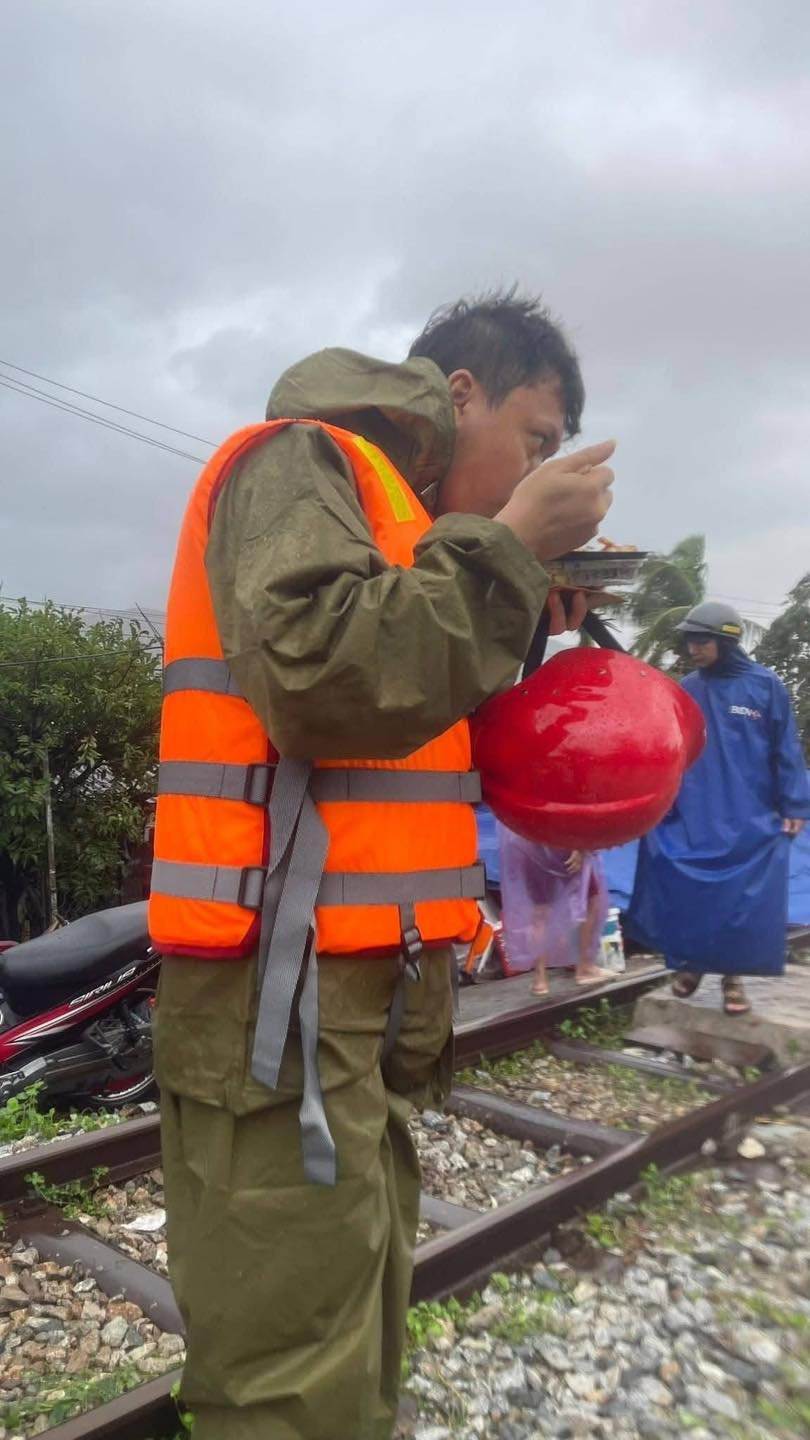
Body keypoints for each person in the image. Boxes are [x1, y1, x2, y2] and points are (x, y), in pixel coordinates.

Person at [148, 291, 615, 1440]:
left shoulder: (410, 535)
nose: (542, 466)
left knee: (348, 1340)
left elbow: (401, 749)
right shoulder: (305, 459)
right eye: (538, 440)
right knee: (289, 1374)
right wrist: (505, 551)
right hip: (279, 1000)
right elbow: (320, 679)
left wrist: (530, 628)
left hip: (360, 1001)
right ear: (459, 396)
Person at [627, 600, 810, 1015]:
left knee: (742, 899)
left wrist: (795, 802)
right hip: (696, 809)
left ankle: (733, 981)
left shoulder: (766, 687)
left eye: (702, 641)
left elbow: (786, 749)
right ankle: (691, 966)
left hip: (749, 812)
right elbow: (668, 745)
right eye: (690, 641)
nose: (693, 649)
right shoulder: (689, 688)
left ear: (727, 641)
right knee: (689, 890)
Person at [497, 825, 612, 994]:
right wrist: (578, 847)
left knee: (540, 913)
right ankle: (585, 967)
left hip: (529, 845)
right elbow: (572, 809)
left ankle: (540, 980)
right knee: (591, 901)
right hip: (564, 843)